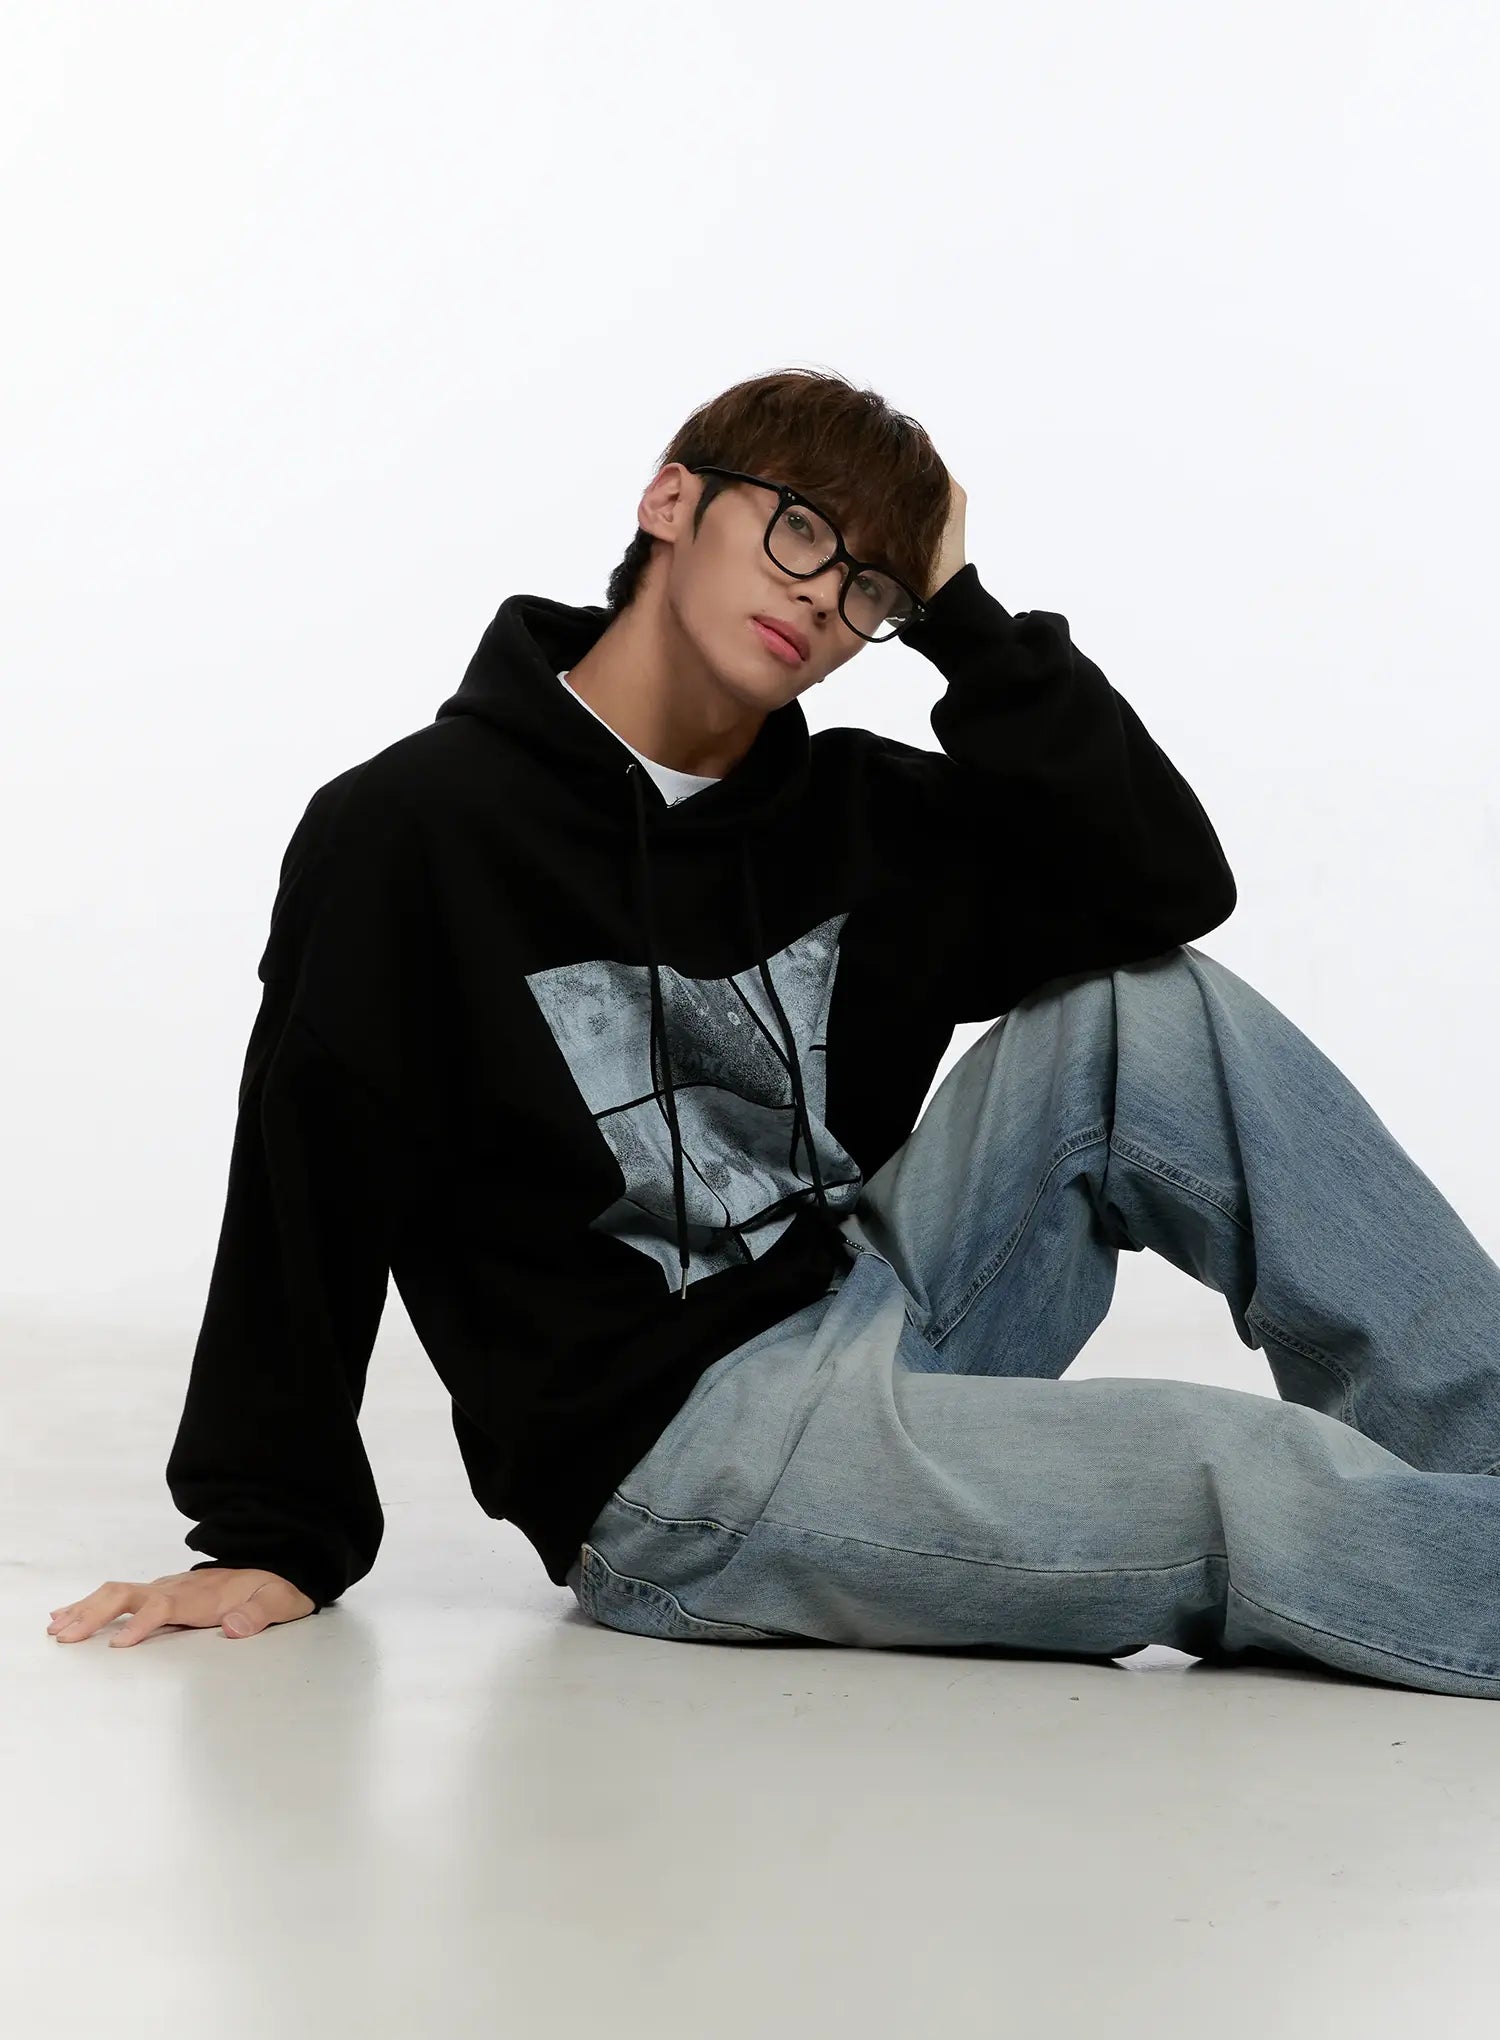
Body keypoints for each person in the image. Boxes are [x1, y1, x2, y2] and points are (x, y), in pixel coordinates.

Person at [47, 368, 1500, 1700]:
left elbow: (1168, 888)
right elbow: (307, 1167)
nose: (820, 598)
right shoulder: (413, 830)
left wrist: (962, 616)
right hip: (680, 1469)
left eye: (869, 587)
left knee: (1149, 1012)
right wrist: (275, 1530)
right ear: (671, 499)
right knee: (1220, 1466)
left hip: (866, 1314)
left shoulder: (856, 813)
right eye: (799, 530)